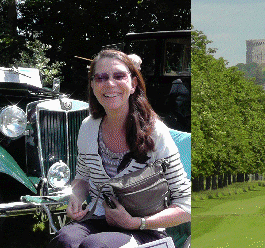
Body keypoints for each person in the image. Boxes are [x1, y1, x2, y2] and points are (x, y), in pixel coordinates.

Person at [50, 50, 192, 248]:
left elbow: (187, 206)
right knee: (64, 240)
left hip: (145, 229)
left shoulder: (154, 132)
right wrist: (76, 196)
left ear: (133, 84)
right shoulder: (88, 127)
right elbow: (82, 178)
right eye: (100, 77)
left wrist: (135, 222)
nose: (110, 83)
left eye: (119, 76)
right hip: (97, 218)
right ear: (93, 86)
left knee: (96, 246)